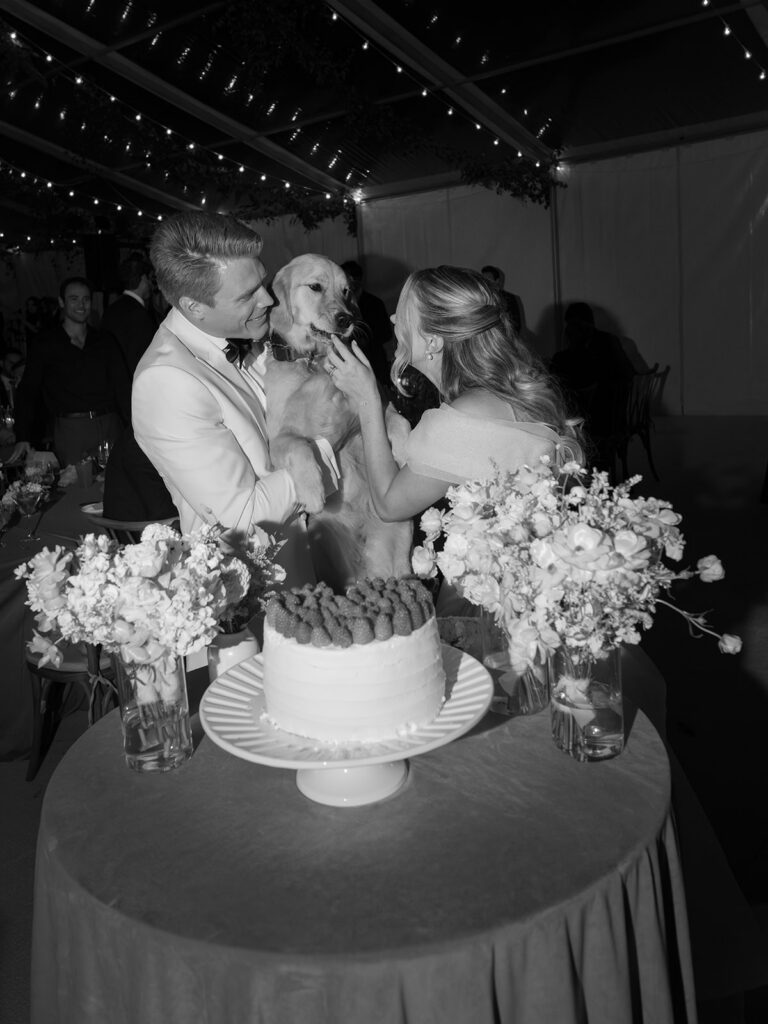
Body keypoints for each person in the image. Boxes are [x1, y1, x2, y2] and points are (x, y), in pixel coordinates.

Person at [325, 265, 582, 611]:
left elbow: (388, 505)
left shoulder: (458, 421)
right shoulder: (504, 397)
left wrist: (367, 401)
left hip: (496, 602)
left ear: (432, 341)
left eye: (402, 315)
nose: (392, 319)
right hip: (544, 589)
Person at [132, 211, 346, 585]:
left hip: (306, 563)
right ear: (193, 306)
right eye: (248, 295)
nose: (268, 299)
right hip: (247, 594)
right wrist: (334, 441)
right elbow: (241, 518)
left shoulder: (247, 339)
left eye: (262, 283)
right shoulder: (167, 381)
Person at [6, 277, 123, 468]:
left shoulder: (105, 341)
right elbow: (28, 391)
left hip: (110, 424)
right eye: (74, 299)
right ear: (61, 302)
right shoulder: (46, 344)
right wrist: (23, 436)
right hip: (71, 430)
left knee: (116, 488)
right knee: (75, 489)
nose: (81, 305)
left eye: (86, 299)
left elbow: (123, 387)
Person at [549, 302, 635, 473]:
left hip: (600, 419)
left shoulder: (589, 348)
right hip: (611, 414)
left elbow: (575, 384)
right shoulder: (608, 340)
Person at [100, 255, 157, 425]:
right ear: (143, 279)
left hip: (114, 393)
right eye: (149, 279)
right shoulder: (138, 314)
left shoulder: (113, 310)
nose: (151, 285)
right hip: (134, 394)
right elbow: (143, 359)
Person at [340, 260, 392, 387]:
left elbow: (386, 334)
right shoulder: (338, 305)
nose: (350, 282)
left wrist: (364, 333)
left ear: (360, 280)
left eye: (353, 279)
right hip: (347, 364)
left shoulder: (375, 303)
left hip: (374, 363)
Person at [480, 264, 524, 335]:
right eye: (483, 279)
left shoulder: (510, 298)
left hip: (503, 339)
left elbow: (516, 325)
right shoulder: (479, 297)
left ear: (497, 281)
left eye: (488, 279)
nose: (485, 282)